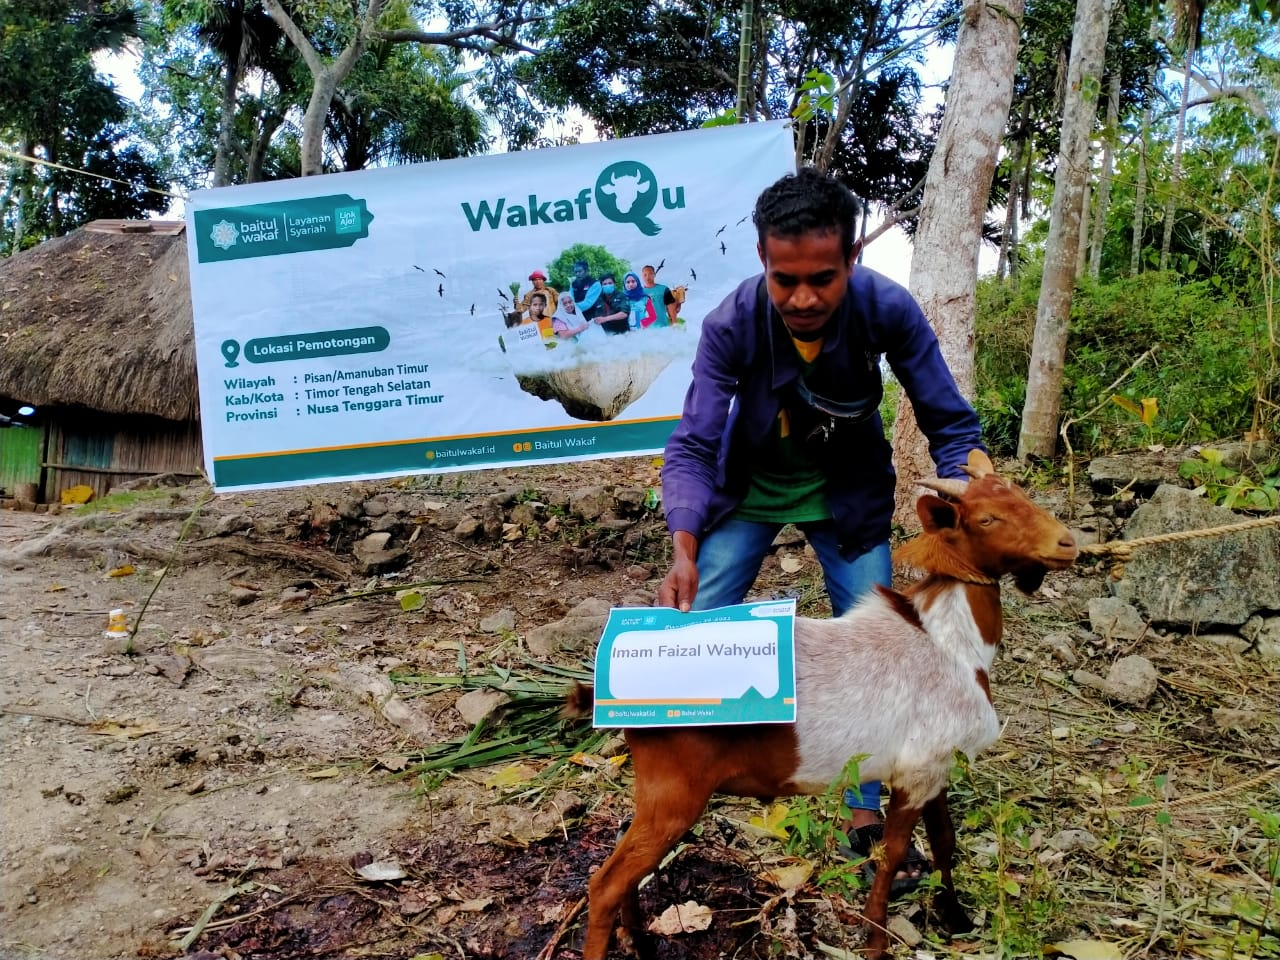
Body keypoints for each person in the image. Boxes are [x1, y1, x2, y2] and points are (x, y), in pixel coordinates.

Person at [658, 166, 986, 897]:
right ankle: (686, 770)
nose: (803, 297)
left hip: (848, 497)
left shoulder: (887, 310)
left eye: (823, 278)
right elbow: (693, 443)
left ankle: (860, 810)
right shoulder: (733, 323)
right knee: (695, 628)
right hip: (747, 495)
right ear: (763, 264)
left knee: (879, 652)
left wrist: (979, 488)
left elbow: (950, 421)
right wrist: (684, 548)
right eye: (785, 280)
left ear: (853, 262)